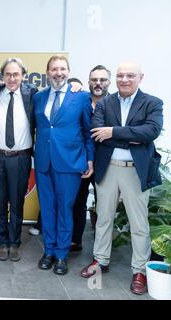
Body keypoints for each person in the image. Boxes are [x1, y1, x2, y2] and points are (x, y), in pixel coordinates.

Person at [81, 61, 163, 295]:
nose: (124, 79)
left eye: (130, 75)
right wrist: (131, 136)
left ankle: (140, 271)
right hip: (108, 168)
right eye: (120, 75)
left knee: (139, 224)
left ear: (140, 77)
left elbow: (151, 132)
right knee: (104, 217)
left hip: (135, 170)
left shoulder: (152, 103)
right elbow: (97, 132)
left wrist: (114, 131)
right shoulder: (106, 102)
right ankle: (100, 260)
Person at [34, 55, 94, 275]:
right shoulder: (39, 98)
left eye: (62, 69)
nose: (58, 73)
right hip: (43, 162)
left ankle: (61, 255)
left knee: (65, 210)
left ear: (68, 71)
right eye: (54, 69)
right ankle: (48, 250)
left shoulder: (81, 97)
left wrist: (89, 159)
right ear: (47, 72)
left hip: (70, 163)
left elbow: (88, 132)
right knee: (48, 209)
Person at [0, 58, 37, 262]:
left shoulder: (31, 94)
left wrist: (75, 84)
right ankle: (2, 242)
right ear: (2, 76)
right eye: (8, 74)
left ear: (23, 76)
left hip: (20, 158)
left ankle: (15, 243)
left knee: (16, 203)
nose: (12, 78)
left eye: (16, 74)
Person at [70, 65, 111, 252]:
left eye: (102, 80)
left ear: (109, 82)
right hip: (82, 160)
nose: (98, 83)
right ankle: (75, 240)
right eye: (94, 79)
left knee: (104, 206)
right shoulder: (81, 99)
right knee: (78, 200)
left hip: (106, 163)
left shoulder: (116, 103)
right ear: (88, 82)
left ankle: (102, 249)